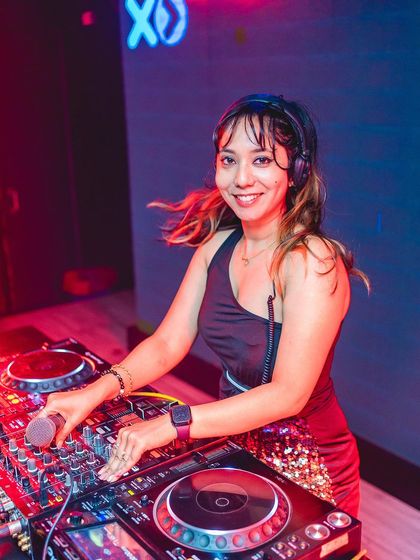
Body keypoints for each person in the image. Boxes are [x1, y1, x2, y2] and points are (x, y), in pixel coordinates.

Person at [39, 94, 369, 517]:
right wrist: (93, 392)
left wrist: (170, 425)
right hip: (232, 444)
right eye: (229, 160)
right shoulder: (217, 247)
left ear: (297, 171)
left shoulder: (313, 261)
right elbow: (167, 343)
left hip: (310, 466)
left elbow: (288, 394)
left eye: (262, 160)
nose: (242, 178)